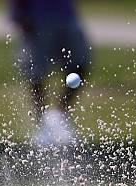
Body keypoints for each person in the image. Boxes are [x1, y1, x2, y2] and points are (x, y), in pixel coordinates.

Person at [8, 0, 90, 145]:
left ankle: (58, 115)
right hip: (36, 17)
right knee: (35, 72)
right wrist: (20, 15)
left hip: (67, 15)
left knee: (80, 63)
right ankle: (43, 125)